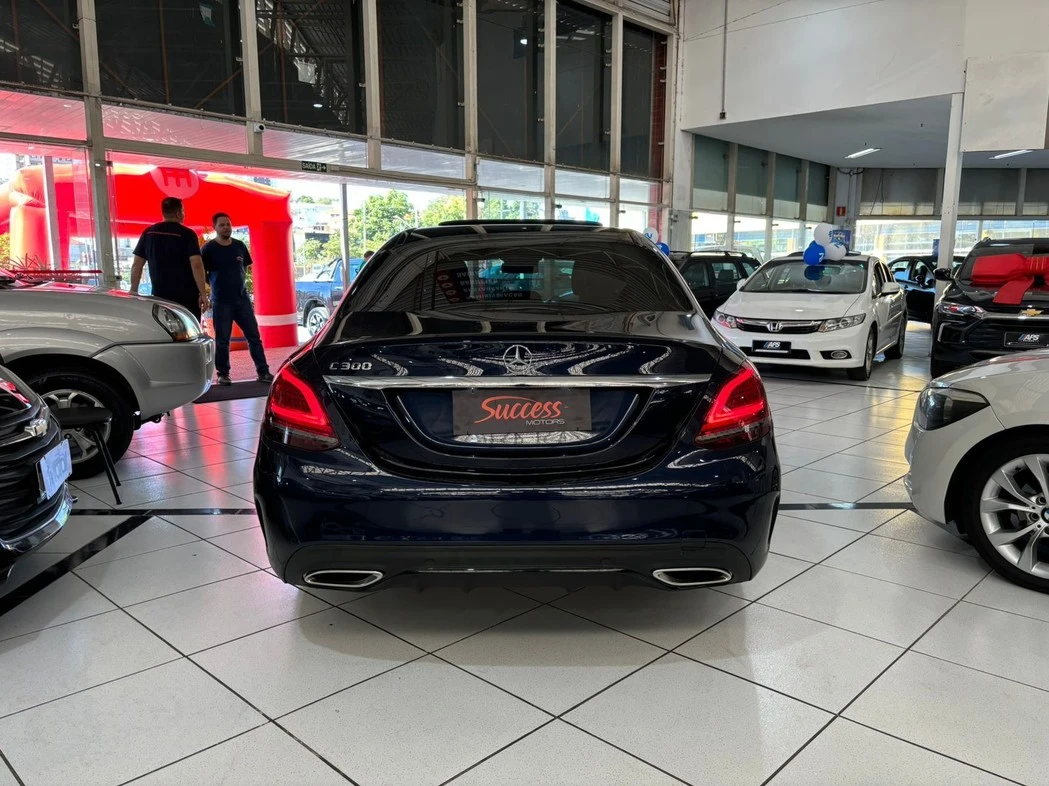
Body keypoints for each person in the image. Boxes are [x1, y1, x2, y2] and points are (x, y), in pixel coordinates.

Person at [200, 212, 273, 386]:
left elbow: (244, 268)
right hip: (221, 301)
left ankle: (263, 372)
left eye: (228, 224)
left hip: (242, 299)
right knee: (222, 340)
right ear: (215, 228)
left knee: (254, 337)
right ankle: (223, 374)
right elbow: (202, 273)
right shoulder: (208, 249)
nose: (226, 227)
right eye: (222, 225)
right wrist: (213, 285)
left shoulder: (239, 245)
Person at [130, 197, 209, 320]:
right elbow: (197, 264)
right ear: (178, 213)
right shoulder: (188, 234)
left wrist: (133, 291)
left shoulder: (149, 233)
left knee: (164, 328)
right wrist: (203, 294)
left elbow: (137, 264)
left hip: (160, 296)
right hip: (187, 296)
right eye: (183, 211)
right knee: (188, 328)